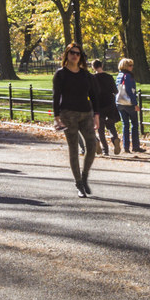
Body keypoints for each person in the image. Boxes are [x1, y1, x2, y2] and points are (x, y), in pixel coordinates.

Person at [52, 44, 101, 197]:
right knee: (73, 148)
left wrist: (96, 116)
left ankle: (85, 176)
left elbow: (94, 95)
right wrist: (56, 117)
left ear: (81, 57)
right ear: (66, 55)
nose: (75, 56)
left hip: (86, 113)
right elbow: (56, 96)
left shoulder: (86, 75)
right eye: (72, 53)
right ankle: (78, 183)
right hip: (68, 115)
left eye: (78, 54)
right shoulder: (61, 74)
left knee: (92, 144)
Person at [91, 58, 122, 156]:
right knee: (111, 125)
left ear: (93, 67)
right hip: (110, 104)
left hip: (98, 105)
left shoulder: (93, 78)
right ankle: (115, 138)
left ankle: (105, 150)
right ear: (102, 65)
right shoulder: (109, 77)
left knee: (100, 129)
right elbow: (115, 91)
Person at [117, 58, 143, 153]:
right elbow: (129, 90)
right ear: (126, 66)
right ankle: (135, 146)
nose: (132, 67)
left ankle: (126, 146)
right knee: (134, 124)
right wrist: (135, 104)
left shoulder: (119, 75)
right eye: (130, 65)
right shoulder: (128, 76)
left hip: (120, 103)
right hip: (129, 103)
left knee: (125, 124)